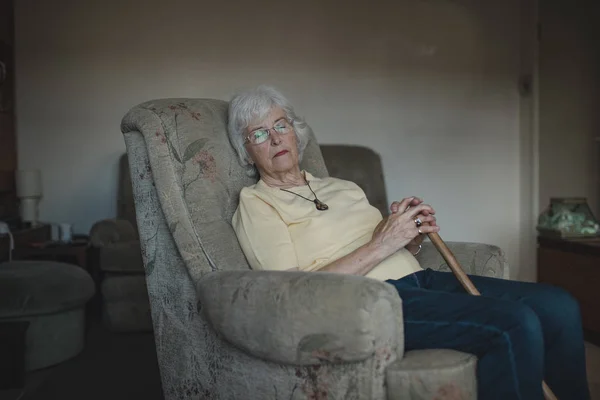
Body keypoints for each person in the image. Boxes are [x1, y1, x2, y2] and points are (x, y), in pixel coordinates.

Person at [228, 85, 590, 400]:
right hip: (371, 303)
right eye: (258, 134)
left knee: (559, 306)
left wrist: (410, 236)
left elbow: (394, 250)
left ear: (296, 132)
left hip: (421, 282)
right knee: (515, 322)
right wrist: (383, 243)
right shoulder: (256, 203)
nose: (275, 138)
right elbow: (290, 295)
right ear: (246, 152)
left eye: (280, 125)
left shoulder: (342, 187)